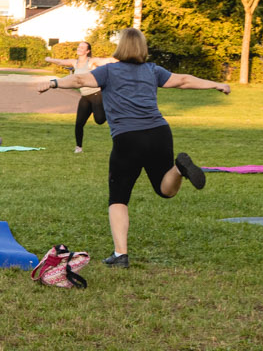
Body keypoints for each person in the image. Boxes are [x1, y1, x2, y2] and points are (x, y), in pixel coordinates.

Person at [37, 26, 228, 268]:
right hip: (160, 133)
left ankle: (121, 255)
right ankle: (179, 169)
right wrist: (216, 84)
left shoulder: (109, 71)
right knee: (165, 190)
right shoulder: (153, 70)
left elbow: (79, 79)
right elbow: (183, 80)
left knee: (118, 198)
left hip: (128, 138)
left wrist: (53, 82)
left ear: (121, 47)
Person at [63, 40, 114, 154]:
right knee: (79, 123)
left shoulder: (92, 62)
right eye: (79, 46)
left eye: (82, 47)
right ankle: (78, 147)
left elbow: (107, 61)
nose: (79, 48)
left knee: (99, 120)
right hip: (85, 96)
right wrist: (49, 59)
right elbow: (62, 62)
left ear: (87, 51)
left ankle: (111, 107)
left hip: (96, 94)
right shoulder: (75, 63)